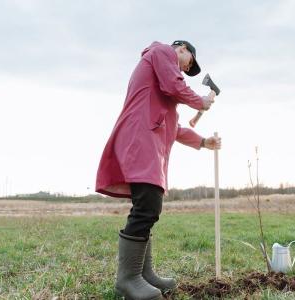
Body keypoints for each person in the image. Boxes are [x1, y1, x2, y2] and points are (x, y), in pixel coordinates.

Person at [96, 40, 221, 299]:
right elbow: (174, 84)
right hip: (140, 139)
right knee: (148, 207)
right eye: (189, 64)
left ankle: (144, 274)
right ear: (182, 48)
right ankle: (128, 279)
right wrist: (200, 101)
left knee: (147, 207)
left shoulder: (164, 90)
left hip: (149, 145)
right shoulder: (162, 52)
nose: (186, 70)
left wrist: (202, 142)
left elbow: (173, 127)